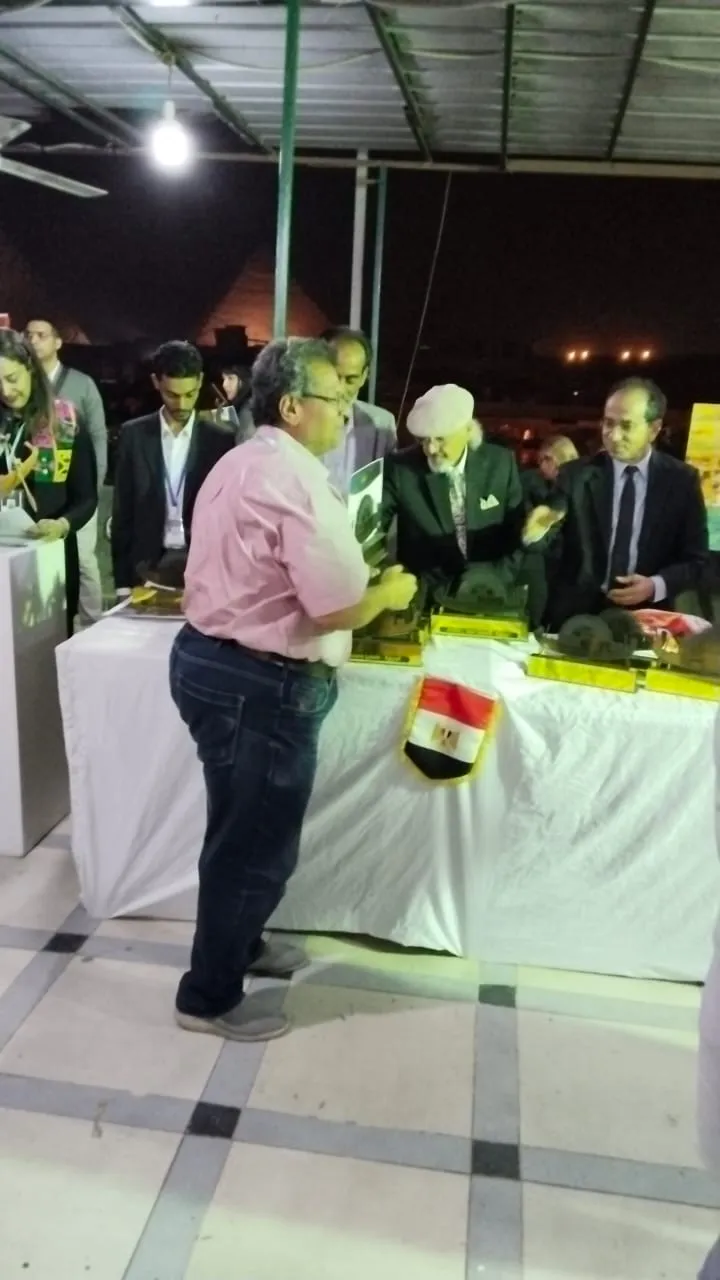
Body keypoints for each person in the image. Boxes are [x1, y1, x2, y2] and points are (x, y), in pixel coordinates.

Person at [169, 336, 417, 1043]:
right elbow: (337, 606)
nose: (346, 411)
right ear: (292, 407)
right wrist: (389, 591)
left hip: (213, 663)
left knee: (239, 829)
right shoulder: (296, 481)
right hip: (260, 683)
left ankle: (241, 944)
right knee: (252, 846)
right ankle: (209, 996)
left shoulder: (241, 460)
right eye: (335, 398)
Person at [525, 378, 709, 628]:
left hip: (646, 619)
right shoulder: (575, 475)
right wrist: (536, 529)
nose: (613, 435)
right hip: (576, 618)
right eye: (608, 423)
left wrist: (655, 585)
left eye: (626, 425)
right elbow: (545, 534)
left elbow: (697, 560)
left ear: (654, 429)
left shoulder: (681, 481)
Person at [111, 340, 236, 593]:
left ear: (200, 381)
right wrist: (122, 584)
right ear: (156, 382)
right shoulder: (134, 435)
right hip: (146, 566)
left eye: (190, 394)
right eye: (172, 395)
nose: (182, 404)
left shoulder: (220, 440)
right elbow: (123, 512)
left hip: (203, 567)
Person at [380, 383, 525, 599]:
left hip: (489, 591)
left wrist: (497, 578)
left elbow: (517, 532)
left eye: (440, 439)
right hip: (424, 596)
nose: (430, 449)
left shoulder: (501, 463)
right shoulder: (401, 469)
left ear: (467, 430)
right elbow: (373, 531)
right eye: (424, 440)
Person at [0, 330, 97, 634]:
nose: (6, 391)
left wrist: (63, 524)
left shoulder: (62, 421)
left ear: (29, 367)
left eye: (12, 378)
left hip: (50, 559)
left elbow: (86, 498)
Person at [25, 318, 107, 625]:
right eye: (28, 335)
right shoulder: (25, 388)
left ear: (58, 342)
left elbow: (98, 436)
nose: (33, 340)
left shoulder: (82, 384)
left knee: (83, 561)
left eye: (41, 335)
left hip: (77, 493)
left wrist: (92, 487)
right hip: (41, 494)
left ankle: (92, 622)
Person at [320, 326, 396, 491]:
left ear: (364, 376)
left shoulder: (382, 425)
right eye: (334, 376)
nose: (339, 388)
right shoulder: (294, 420)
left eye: (350, 380)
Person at [217, 363, 254, 443]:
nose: (224, 385)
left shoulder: (248, 412)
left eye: (230, 378)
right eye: (224, 379)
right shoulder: (247, 405)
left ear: (244, 380)